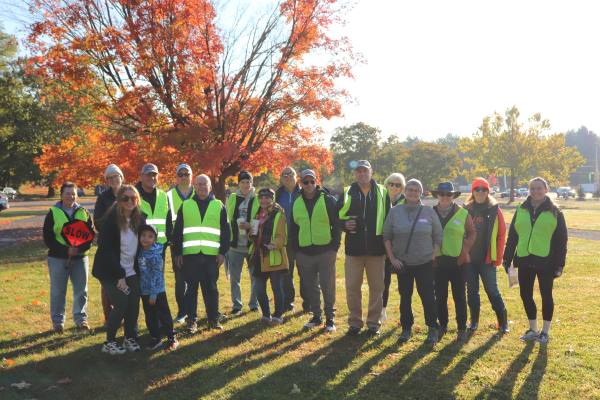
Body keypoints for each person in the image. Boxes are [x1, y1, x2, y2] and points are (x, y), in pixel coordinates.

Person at [503, 177, 567, 345]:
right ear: (529, 190)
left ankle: (545, 332)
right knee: (525, 295)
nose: (535, 191)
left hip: (546, 261)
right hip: (523, 259)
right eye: (532, 188)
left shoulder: (555, 212)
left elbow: (562, 241)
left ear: (546, 190)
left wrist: (560, 264)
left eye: (539, 188)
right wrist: (507, 258)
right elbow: (513, 237)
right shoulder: (521, 209)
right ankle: (533, 329)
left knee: (546, 295)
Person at [383, 179, 442, 344]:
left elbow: (438, 235)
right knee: (405, 297)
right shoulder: (395, 212)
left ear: (421, 192)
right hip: (403, 264)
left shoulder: (428, 212)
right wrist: (392, 259)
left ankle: (432, 328)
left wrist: (433, 254)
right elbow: (386, 237)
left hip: (424, 263)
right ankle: (406, 328)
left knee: (428, 296)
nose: (413, 192)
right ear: (405, 191)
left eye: (416, 190)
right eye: (410, 189)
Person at [172, 175, 230, 333]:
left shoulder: (219, 205)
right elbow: (177, 231)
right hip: (190, 256)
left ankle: (213, 319)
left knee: (211, 288)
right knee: (191, 289)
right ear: (194, 187)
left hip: (212, 257)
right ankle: (191, 321)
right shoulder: (186, 205)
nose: (202, 187)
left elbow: (226, 232)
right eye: (199, 184)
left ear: (210, 187)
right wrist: (177, 253)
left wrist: (222, 253)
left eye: (205, 184)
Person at [338, 160, 389, 336]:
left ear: (371, 172)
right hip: (354, 250)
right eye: (358, 171)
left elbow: (389, 218)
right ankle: (355, 323)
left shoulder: (383, 192)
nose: (361, 174)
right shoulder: (347, 192)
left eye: (365, 171)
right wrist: (344, 225)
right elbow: (337, 217)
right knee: (352, 287)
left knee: (377, 287)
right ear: (355, 174)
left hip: (377, 250)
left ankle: (373, 323)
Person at [92, 185, 144, 355]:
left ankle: (129, 338)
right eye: (125, 198)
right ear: (119, 201)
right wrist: (119, 275)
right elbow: (107, 251)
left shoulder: (140, 219)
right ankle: (109, 342)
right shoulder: (111, 221)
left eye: (133, 198)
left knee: (133, 304)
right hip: (110, 270)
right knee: (121, 303)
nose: (130, 201)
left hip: (131, 270)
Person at [290, 170, 341, 332]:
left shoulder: (327, 200)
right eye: (306, 182)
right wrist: (296, 251)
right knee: (310, 286)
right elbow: (293, 228)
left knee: (328, 285)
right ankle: (317, 316)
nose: (309, 185)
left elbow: (337, 225)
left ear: (316, 182)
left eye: (312, 181)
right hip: (304, 253)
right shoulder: (296, 202)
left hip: (326, 251)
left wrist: (334, 247)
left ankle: (330, 319)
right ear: (301, 183)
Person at [43, 182, 94, 333]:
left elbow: (90, 236)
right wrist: (66, 250)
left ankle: (81, 320)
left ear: (77, 195)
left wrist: (78, 249)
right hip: (58, 258)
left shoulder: (83, 212)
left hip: (80, 258)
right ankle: (58, 322)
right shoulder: (53, 212)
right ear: (61, 195)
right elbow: (48, 238)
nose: (70, 196)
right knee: (58, 291)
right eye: (67, 193)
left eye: (73, 193)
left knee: (81, 290)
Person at [464, 177, 509, 334]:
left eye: (484, 189)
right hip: (469, 260)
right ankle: (474, 322)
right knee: (471, 291)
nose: (481, 192)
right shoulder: (465, 209)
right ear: (473, 191)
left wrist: (498, 257)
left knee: (492, 290)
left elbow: (502, 234)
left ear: (488, 191)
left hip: (487, 259)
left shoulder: (494, 210)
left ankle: (503, 322)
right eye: (477, 189)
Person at [432, 182, 476, 341]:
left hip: (459, 262)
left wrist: (464, 250)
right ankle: (442, 325)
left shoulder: (463, 213)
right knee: (440, 296)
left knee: (459, 296)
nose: (444, 197)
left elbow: (472, 234)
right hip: (437, 262)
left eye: (448, 194)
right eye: (441, 194)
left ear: (453, 196)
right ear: (437, 195)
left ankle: (462, 328)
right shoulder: (430, 213)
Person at [249, 188, 289, 324]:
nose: (264, 200)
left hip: (273, 256)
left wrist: (274, 244)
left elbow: (282, 236)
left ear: (272, 199)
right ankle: (266, 315)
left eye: (267, 197)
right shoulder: (257, 213)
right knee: (259, 288)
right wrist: (249, 230)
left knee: (276, 287)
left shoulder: (279, 214)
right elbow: (253, 234)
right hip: (259, 256)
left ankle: (278, 315)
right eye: (261, 197)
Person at [138, 224, 179, 351]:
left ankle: (172, 337)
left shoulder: (156, 253)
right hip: (144, 291)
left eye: (150, 236)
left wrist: (154, 293)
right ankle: (155, 338)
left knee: (163, 314)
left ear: (155, 239)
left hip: (157, 292)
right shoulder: (139, 252)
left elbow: (157, 274)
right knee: (150, 315)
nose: (146, 239)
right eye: (143, 235)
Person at [94, 164, 124, 326]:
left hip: (126, 245)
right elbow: (98, 221)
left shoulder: (128, 193)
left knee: (125, 280)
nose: (113, 180)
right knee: (107, 282)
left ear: (121, 177)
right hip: (108, 245)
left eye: (116, 176)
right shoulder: (102, 198)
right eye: (110, 178)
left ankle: (124, 314)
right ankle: (109, 317)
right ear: (107, 181)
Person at [225, 170, 259, 316]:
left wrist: (250, 226)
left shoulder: (258, 198)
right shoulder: (232, 198)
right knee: (235, 277)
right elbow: (227, 216)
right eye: (243, 182)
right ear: (239, 183)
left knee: (255, 276)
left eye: (248, 182)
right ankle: (237, 305)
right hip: (235, 244)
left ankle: (254, 304)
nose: (245, 185)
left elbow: (261, 218)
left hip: (252, 244)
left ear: (252, 183)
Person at [167, 163, 195, 323]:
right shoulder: (169, 195)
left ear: (191, 176)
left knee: (195, 278)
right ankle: (182, 312)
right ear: (176, 177)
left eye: (187, 174)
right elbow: (167, 219)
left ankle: (193, 312)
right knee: (180, 279)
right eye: (181, 174)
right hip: (178, 243)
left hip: (197, 242)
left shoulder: (198, 192)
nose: (184, 177)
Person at [275, 166, 305, 312]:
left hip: (301, 238)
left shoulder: (304, 192)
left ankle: (308, 303)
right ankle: (288, 302)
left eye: (290, 174)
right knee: (286, 273)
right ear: (281, 178)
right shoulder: (277, 194)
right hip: (284, 239)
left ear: (296, 176)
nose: (287, 177)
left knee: (304, 272)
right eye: (284, 174)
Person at [381, 173, 406, 324]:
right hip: (384, 248)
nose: (394, 187)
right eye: (391, 184)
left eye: (398, 185)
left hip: (402, 250)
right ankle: (382, 311)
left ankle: (405, 315)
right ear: (386, 184)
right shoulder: (381, 200)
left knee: (404, 285)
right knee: (384, 282)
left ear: (402, 188)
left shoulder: (407, 202)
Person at [136, 163, 172, 254]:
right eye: (148, 175)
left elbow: (168, 220)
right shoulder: (134, 196)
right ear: (141, 176)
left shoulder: (164, 196)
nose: (152, 177)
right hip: (139, 247)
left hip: (160, 247)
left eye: (154, 175)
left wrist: (167, 241)